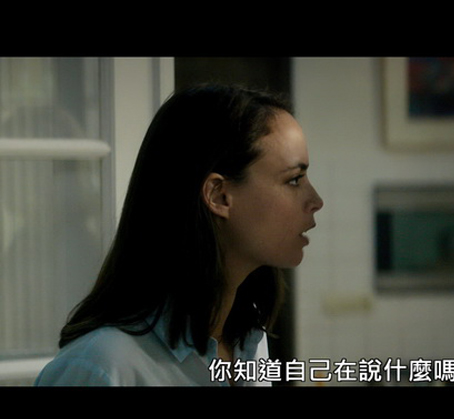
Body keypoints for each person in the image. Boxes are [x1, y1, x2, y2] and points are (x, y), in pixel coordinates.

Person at [35, 84, 323, 386]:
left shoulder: (248, 339)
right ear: (219, 195)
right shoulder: (102, 367)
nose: (316, 201)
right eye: (294, 180)